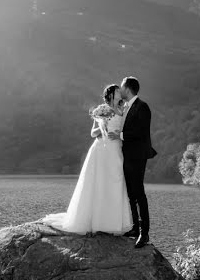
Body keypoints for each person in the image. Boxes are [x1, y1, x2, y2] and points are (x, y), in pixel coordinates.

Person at [39, 84, 133, 235]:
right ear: (110, 95)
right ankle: (96, 222)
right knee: (98, 183)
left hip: (116, 149)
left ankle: (113, 223)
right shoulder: (101, 110)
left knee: (115, 182)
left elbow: (125, 130)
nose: (119, 93)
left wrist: (118, 132)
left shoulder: (124, 109)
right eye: (116, 91)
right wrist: (104, 126)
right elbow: (93, 133)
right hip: (101, 150)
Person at [112, 76, 157, 248]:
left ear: (128, 89)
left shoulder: (142, 107)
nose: (120, 90)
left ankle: (144, 234)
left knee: (139, 193)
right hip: (127, 155)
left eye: (122, 88)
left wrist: (119, 136)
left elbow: (140, 132)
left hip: (138, 156)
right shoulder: (127, 107)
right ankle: (135, 229)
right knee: (131, 193)